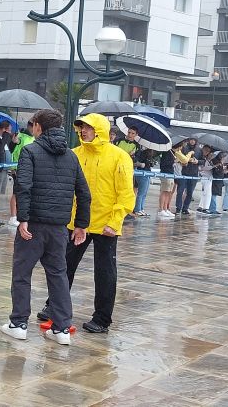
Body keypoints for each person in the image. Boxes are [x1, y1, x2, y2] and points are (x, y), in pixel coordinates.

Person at [36, 113, 134, 334]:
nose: (83, 131)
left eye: (87, 127)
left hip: (106, 225)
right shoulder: (74, 154)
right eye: (80, 127)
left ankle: (102, 318)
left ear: (98, 130)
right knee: (63, 266)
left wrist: (115, 220)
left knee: (105, 272)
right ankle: (54, 306)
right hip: (77, 222)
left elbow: (126, 194)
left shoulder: (119, 157)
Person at [1, 109, 90, 345]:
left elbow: (24, 186)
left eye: (33, 125)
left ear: (39, 127)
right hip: (60, 228)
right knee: (58, 275)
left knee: (22, 274)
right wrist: (81, 224)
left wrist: (23, 218)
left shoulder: (31, 151)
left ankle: (19, 323)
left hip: (34, 226)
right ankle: (61, 329)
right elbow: (84, 192)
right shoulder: (72, 156)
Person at [7, 120, 35, 227]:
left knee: (27, 192)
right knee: (16, 193)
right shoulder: (20, 136)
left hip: (29, 168)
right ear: (29, 126)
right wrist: (14, 142)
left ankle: (22, 214)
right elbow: (12, 149)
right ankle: (13, 216)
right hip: (18, 168)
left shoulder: (33, 138)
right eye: (33, 126)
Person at [176, 137, 199, 214]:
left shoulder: (199, 150)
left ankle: (185, 208)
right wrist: (183, 162)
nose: (192, 141)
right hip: (184, 173)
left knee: (190, 193)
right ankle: (178, 208)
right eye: (191, 140)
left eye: (194, 140)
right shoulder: (184, 148)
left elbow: (203, 160)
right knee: (180, 191)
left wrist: (197, 161)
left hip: (194, 174)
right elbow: (178, 158)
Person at [132, 147, 155, 217]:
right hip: (142, 173)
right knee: (141, 193)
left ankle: (141, 208)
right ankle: (137, 209)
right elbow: (137, 161)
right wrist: (142, 163)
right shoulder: (141, 152)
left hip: (147, 173)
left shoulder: (150, 153)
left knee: (144, 193)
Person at [156, 147, 176, 219]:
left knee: (169, 192)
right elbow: (164, 163)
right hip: (165, 173)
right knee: (164, 191)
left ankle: (165, 208)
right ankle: (161, 209)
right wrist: (173, 162)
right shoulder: (167, 152)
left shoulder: (173, 153)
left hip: (171, 173)